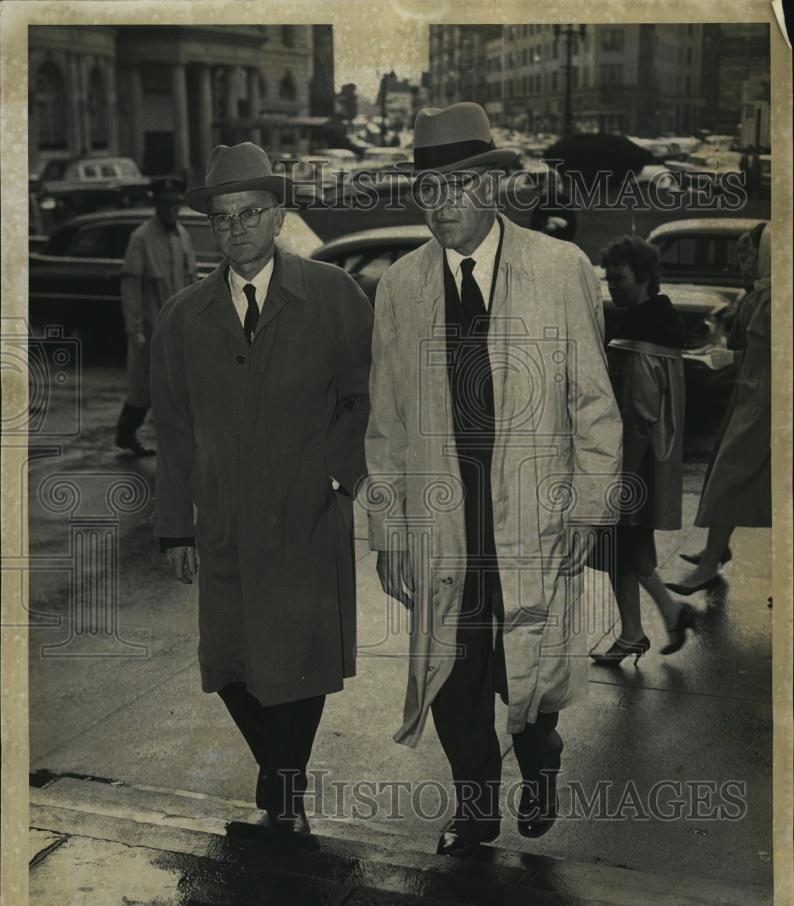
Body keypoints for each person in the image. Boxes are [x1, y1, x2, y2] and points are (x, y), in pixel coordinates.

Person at [365, 103, 622, 857]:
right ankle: (475, 808)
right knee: (454, 672)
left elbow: (594, 402)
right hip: (445, 523)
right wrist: (387, 532)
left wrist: (587, 508)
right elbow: (383, 423)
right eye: (428, 192)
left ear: (493, 188)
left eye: (456, 189)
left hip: (533, 516)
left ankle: (540, 759)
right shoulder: (401, 287)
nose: (441, 208)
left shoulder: (558, 268)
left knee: (532, 666)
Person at [150, 143, 373, 832]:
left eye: (251, 213)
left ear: (278, 216)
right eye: (222, 218)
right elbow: (175, 430)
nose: (238, 228)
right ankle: (285, 784)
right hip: (223, 522)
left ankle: (283, 793)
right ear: (209, 228)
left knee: (299, 662)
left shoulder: (334, 294)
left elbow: (366, 398)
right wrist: (175, 526)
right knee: (232, 662)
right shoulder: (184, 317)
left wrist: (340, 478)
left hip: (307, 515)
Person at [590, 236, 695, 666]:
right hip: (655, 457)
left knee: (623, 545)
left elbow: (636, 414)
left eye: (620, 279)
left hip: (635, 461)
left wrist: (620, 478)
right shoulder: (660, 323)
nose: (613, 287)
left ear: (646, 277)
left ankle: (670, 612)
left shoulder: (638, 338)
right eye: (609, 279)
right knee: (621, 547)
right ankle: (633, 632)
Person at [667, 223, 771, 596]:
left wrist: (732, 357)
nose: (741, 262)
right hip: (750, 397)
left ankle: (710, 563)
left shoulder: (772, 298)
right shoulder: (759, 293)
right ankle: (716, 550)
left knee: (730, 479)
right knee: (729, 476)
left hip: (764, 405)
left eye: (748, 254)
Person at [116, 176, 197, 457]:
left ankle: (169, 441)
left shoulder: (182, 236)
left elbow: (191, 280)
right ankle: (128, 433)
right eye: (167, 205)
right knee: (144, 388)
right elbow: (132, 285)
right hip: (151, 328)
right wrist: (134, 327)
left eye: (176, 204)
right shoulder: (142, 238)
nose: (173, 210)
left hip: (177, 328)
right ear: (157, 206)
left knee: (173, 388)